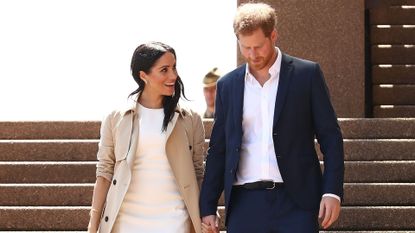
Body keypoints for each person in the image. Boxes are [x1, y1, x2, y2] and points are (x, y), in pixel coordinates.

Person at [200, 3, 344, 233]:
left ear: (273, 35)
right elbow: (219, 148)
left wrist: (332, 191)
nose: (252, 54)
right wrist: (207, 205)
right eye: (245, 47)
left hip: (297, 203)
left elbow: (331, 138)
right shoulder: (227, 86)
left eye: (258, 46)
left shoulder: (307, 75)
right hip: (245, 205)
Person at [87, 42, 205, 233]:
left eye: (174, 68)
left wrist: (206, 212)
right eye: (164, 70)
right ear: (143, 76)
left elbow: (198, 172)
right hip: (126, 222)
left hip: (175, 222)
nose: (173, 76)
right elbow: (104, 173)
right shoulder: (116, 118)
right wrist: (93, 224)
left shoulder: (190, 119)